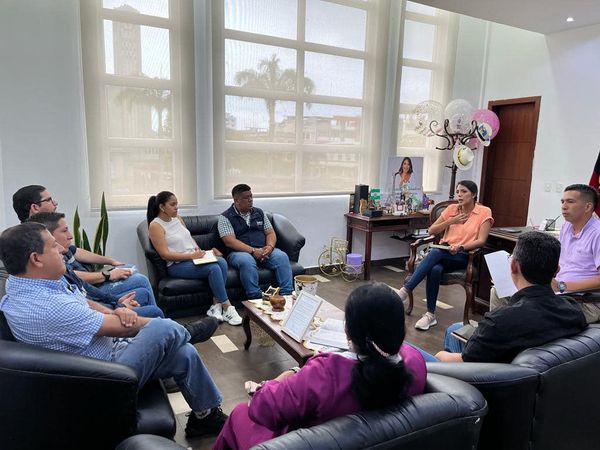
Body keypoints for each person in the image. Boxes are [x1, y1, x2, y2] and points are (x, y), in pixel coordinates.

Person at [0, 223, 227, 437]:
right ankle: (187, 331)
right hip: (101, 380)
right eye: (53, 245)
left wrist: (116, 309)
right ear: (36, 258)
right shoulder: (48, 307)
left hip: (107, 357)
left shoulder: (24, 284)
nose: (62, 249)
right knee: (162, 327)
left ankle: (204, 417)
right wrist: (133, 320)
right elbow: (123, 329)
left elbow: (83, 300)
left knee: (184, 353)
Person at [213, 282, 427, 450]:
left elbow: (263, 409)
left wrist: (273, 383)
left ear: (349, 332)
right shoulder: (415, 362)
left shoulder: (326, 373)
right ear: (401, 330)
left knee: (240, 413)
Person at [26, 211, 218, 340]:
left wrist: (116, 297)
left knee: (139, 285)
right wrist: (111, 287)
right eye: (64, 231)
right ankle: (174, 333)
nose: (70, 236)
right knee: (149, 300)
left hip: (96, 300)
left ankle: (172, 335)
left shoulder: (52, 264)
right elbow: (84, 302)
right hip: (100, 319)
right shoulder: (49, 278)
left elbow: (83, 292)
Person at [433, 231, 587, 363]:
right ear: (557, 271)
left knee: (439, 349)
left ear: (514, 266)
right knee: (455, 329)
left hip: (488, 380)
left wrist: (440, 356)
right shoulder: (573, 310)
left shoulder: (499, 322)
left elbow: (465, 363)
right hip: (533, 376)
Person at [12, 185, 158, 306]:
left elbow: (75, 250)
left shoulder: (47, 227)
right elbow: (66, 275)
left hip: (89, 285)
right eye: (49, 200)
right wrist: (107, 275)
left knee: (130, 270)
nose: (55, 203)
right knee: (140, 281)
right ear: (35, 207)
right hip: (85, 290)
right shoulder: (34, 239)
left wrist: (110, 261)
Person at [491, 184, 600, 324]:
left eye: (570, 202)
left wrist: (563, 286)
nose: (564, 206)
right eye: (562, 201)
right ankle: (498, 331)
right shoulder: (567, 226)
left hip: (584, 301)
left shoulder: (597, 233)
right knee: (499, 291)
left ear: (587, 207)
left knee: (530, 309)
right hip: (556, 291)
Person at [399, 180, 494, 331]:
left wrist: (461, 247)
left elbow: (481, 241)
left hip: (463, 255)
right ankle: (430, 315)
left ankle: (405, 290)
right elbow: (432, 230)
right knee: (435, 269)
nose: (459, 195)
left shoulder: (484, 212)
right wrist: (451, 221)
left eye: (464, 192)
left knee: (435, 252)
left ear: (474, 194)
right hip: (443, 252)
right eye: (458, 192)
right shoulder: (452, 209)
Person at [147, 191, 242, 326]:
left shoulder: (177, 218)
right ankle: (228, 307)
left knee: (221, 261)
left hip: (193, 258)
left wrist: (199, 250)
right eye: (172, 205)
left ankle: (216, 305)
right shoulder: (155, 225)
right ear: (162, 207)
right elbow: (164, 254)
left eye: (177, 204)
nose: (176, 207)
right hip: (177, 265)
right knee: (213, 268)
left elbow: (189, 238)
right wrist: (191, 256)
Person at [218, 184, 293, 300]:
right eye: (246, 197)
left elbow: (270, 233)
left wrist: (269, 247)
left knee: (281, 256)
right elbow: (230, 241)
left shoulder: (259, 213)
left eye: (251, 196)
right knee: (247, 261)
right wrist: (253, 251)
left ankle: (287, 295)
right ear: (237, 200)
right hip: (239, 253)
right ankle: (255, 298)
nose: (250, 200)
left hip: (263, 250)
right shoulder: (225, 217)